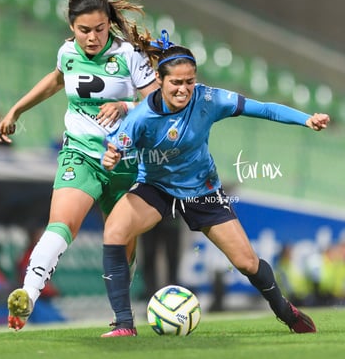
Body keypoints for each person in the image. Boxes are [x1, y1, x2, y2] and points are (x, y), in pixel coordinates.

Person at [100, 30, 330, 337]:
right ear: (159, 79)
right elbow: (115, 149)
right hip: (156, 188)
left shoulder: (209, 99)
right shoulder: (140, 118)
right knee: (114, 231)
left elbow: (263, 108)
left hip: (202, 191)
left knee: (247, 262)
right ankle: (124, 325)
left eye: (189, 81)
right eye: (176, 83)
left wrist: (306, 119)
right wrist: (111, 157)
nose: (184, 89)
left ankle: (286, 312)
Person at [0, 0, 159, 330]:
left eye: (99, 29)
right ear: (72, 27)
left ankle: (122, 319)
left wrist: (125, 105)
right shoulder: (67, 52)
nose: (92, 37)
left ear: (108, 23)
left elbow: (158, 103)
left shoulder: (129, 55)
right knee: (62, 224)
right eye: (84, 30)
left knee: (120, 246)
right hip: (80, 154)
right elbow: (57, 80)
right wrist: (16, 110)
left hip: (123, 161)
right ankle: (27, 294)